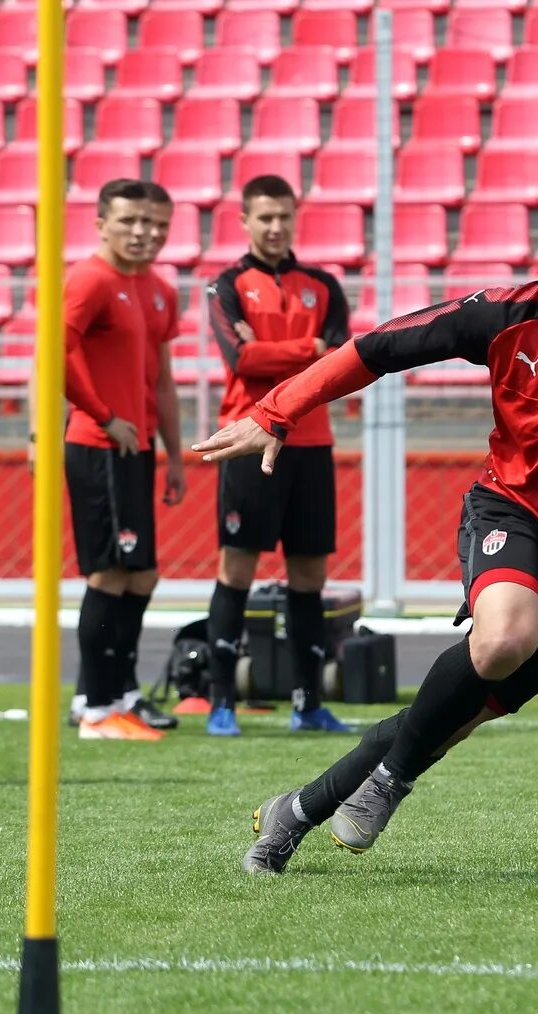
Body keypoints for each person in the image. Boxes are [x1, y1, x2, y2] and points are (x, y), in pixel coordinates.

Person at [193, 171, 538, 874]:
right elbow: (379, 348)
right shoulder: (507, 313)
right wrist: (278, 410)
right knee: (503, 640)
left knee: (448, 717)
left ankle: (292, 814)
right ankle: (391, 784)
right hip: (513, 510)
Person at [203, 174, 353, 737]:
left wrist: (293, 354)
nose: (274, 226)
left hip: (311, 444)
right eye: (263, 216)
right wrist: (304, 351)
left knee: (309, 575)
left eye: (283, 216)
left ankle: (308, 704)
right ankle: (222, 703)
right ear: (244, 220)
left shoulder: (324, 285)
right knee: (236, 566)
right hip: (245, 438)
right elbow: (240, 361)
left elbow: (335, 366)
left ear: (295, 218)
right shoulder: (227, 285)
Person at [64, 182, 187, 731]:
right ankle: (94, 706)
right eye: (132, 221)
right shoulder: (89, 280)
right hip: (99, 446)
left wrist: (175, 455)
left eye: (157, 223)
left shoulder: (159, 288)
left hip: (136, 450)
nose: (145, 233)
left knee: (141, 577)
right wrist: (99, 413)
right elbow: (56, 352)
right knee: (109, 575)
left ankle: (121, 693)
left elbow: (161, 379)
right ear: (101, 223)